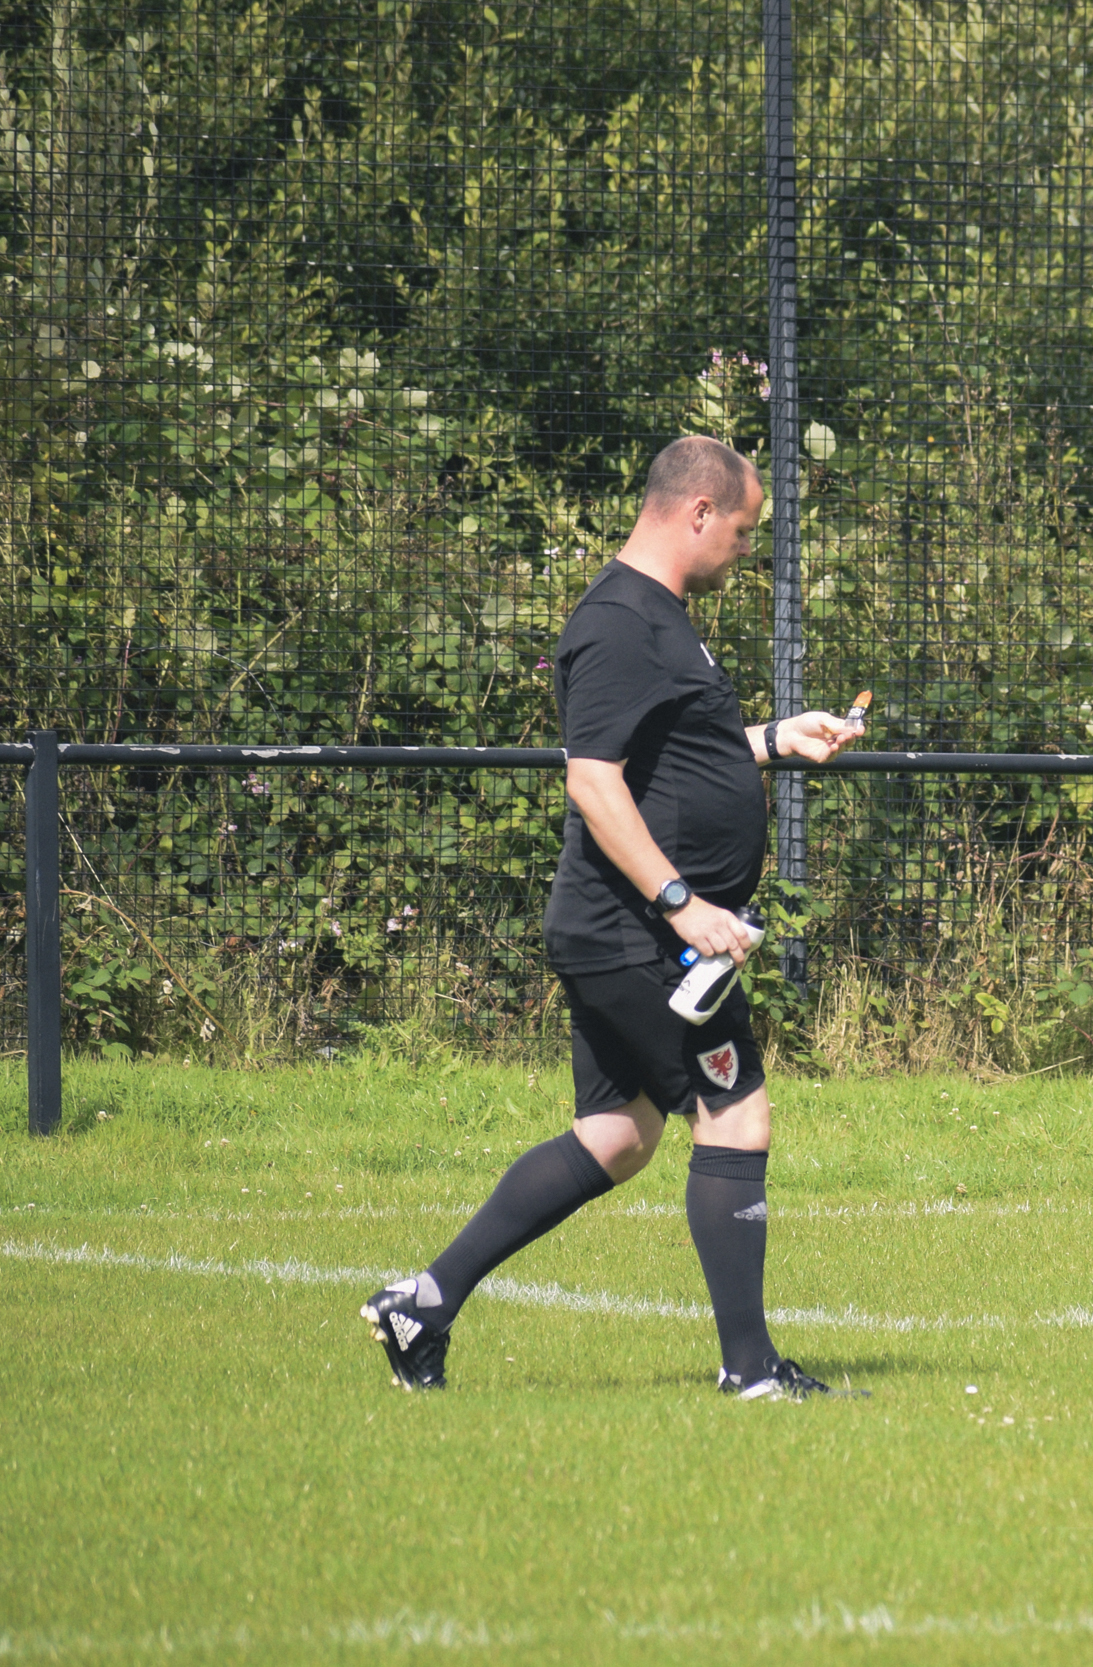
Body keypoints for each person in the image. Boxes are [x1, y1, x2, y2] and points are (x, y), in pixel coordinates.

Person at [361, 435, 863, 1400]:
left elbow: (673, 757)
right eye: (745, 533)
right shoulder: (619, 622)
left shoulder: (661, 617)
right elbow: (592, 782)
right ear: (698, 514)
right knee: (737, 1115)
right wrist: (683, 906)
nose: (747, 553)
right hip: (637, 936)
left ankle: (422, 1302)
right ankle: (751, 1371)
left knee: (618, 1135)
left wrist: (774, 738)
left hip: (625, 933)